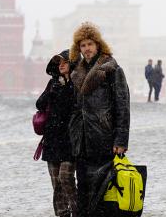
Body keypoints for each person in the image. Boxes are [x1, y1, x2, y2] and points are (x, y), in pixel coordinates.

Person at [68, 22, 130, 216]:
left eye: (90, 44)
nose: (86, 49)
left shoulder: (112, 70)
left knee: (103, 188)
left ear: (98, 45)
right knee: (84, 188)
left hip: (104, 136)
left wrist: (121, 139)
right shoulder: (76, 71)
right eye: (83, 45)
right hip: (82, 139)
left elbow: (122, 105)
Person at [36, 49, 78, 217]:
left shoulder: (77, 83)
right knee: (56, 183)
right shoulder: (53, 83)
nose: (61, 65)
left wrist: (67, 88)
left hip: (70, 139)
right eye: (59, 63)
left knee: (66, 178)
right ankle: (62, 213)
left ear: (72, 63)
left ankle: (77, 211)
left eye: (64, 62)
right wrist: (51, 92)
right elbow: (39, 104)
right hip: (52, 139)